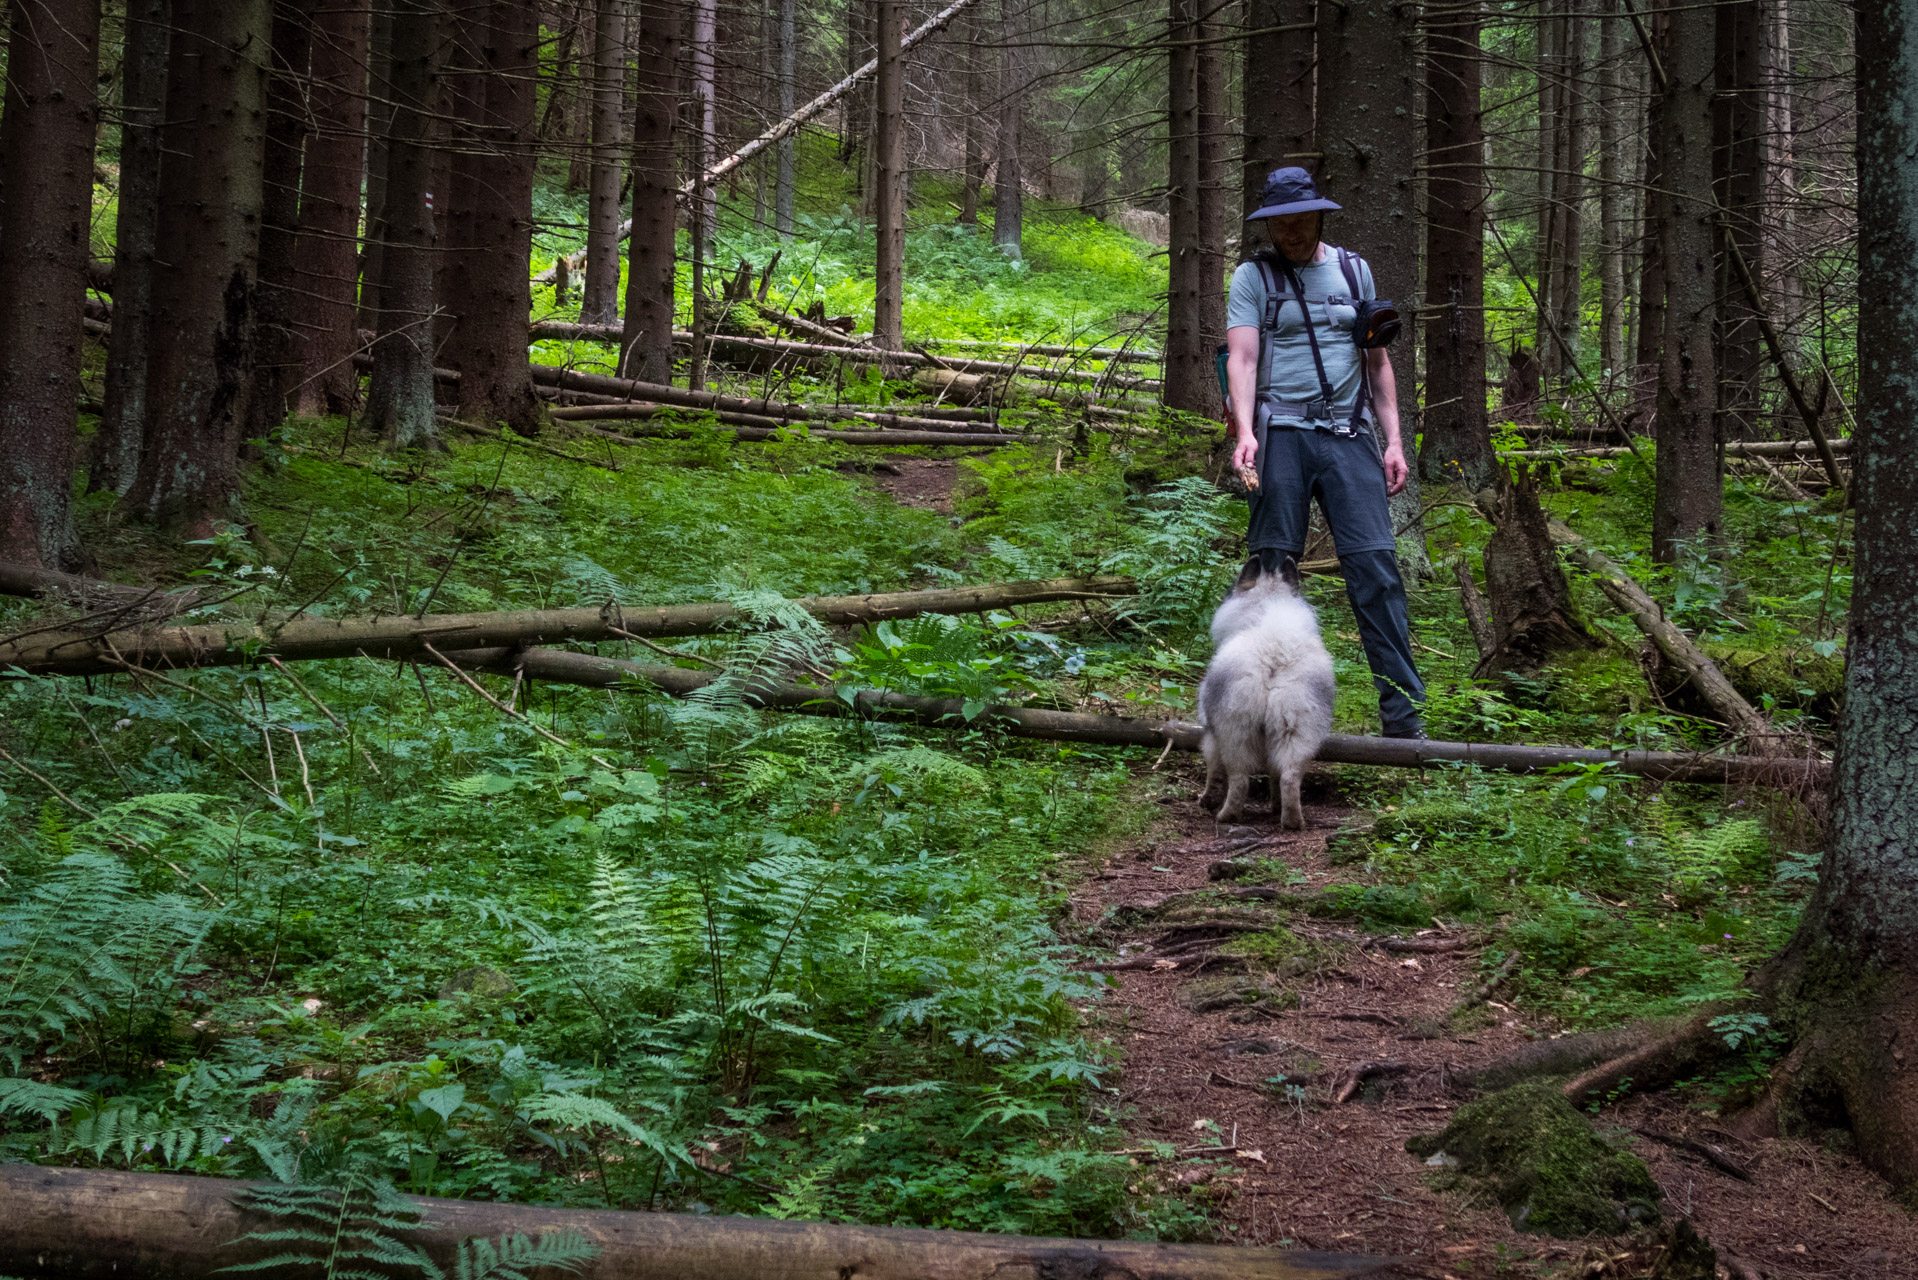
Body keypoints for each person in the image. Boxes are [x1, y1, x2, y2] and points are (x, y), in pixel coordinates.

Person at [1223, 166, 1426, 739]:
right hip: (1280, 436)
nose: (1291, 231)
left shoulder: (1355, 271)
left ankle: (1405, 722)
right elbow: (1240, 357)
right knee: (1269, 575)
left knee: (1376, 570)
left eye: (1301, 220)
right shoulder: (1252, 278)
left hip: (1348, 436)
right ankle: (1258, 719)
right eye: (1280, 223)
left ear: (1318, 215)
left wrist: (1393, 440)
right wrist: (1245, 432)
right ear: (1269, 225)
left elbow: (1379, 363)